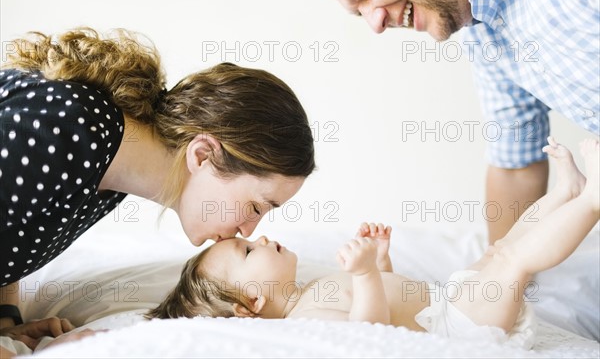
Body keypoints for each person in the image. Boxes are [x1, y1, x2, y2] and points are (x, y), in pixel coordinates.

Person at [0, 27, 315, 349]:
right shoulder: (69, 127)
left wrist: (6, 323)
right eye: (255, 207)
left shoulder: (111, 171)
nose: (248, 230)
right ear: (203, 155)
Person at [147, 137, 599, 349]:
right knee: (515, 261)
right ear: (251, 301)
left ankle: (565, 192)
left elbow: (385, 298)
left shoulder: (311, 290)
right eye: (247, 252)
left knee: (502, 250)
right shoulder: (306, 319)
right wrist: (363, 274)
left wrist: (380, 263)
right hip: (462, 325)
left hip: (452, 301)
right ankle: (592, 201)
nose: (259, 235)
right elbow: (370, 330)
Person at [295, 0, 600, 244]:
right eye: (359, 11)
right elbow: (516, 166)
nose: (375, 23)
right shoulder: (483, 35)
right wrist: (500, 277)